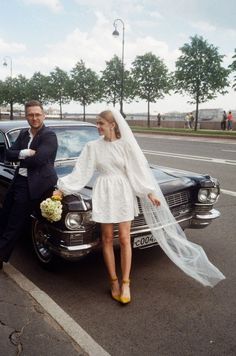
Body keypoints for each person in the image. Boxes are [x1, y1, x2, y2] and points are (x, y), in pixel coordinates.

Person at [54, 108, 225, 304]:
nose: (98, 126)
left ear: (112, 124)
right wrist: (63, 189)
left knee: (125, 238)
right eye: (97, 123)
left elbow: (136, 171)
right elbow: (81, 172)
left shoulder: (126, 145)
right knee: (107, 238)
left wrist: (149, 192)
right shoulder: (92, 147)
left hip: (123, 192)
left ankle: (126, 282)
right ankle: (113, 281)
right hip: (104, 191)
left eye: (101, 123)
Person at [0, 100, 58, 270]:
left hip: (34, 184)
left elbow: (40, 160)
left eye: (37, 114)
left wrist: (20, 157)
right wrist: (24, 153)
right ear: (26, 116)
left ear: (44, 115)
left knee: (14, 223)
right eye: (31, 115)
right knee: (4, 216)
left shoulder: (49, 135)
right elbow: (8, 155)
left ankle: (1, 257)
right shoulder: (25, 134)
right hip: (18, 180)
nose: (34, 118)